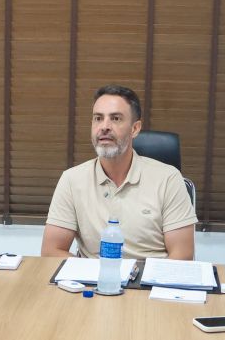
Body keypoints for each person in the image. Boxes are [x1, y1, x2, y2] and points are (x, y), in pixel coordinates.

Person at [41, 85, 197, 261]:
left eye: (115, 118)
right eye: (98, 118)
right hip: (94, 282)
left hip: (149, 283)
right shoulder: (72, 179)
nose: (104, 127)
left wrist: (139, 282)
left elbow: (182, 255)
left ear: (135, 128)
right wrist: (100, 275)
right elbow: (51, 251)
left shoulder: (168, 179)